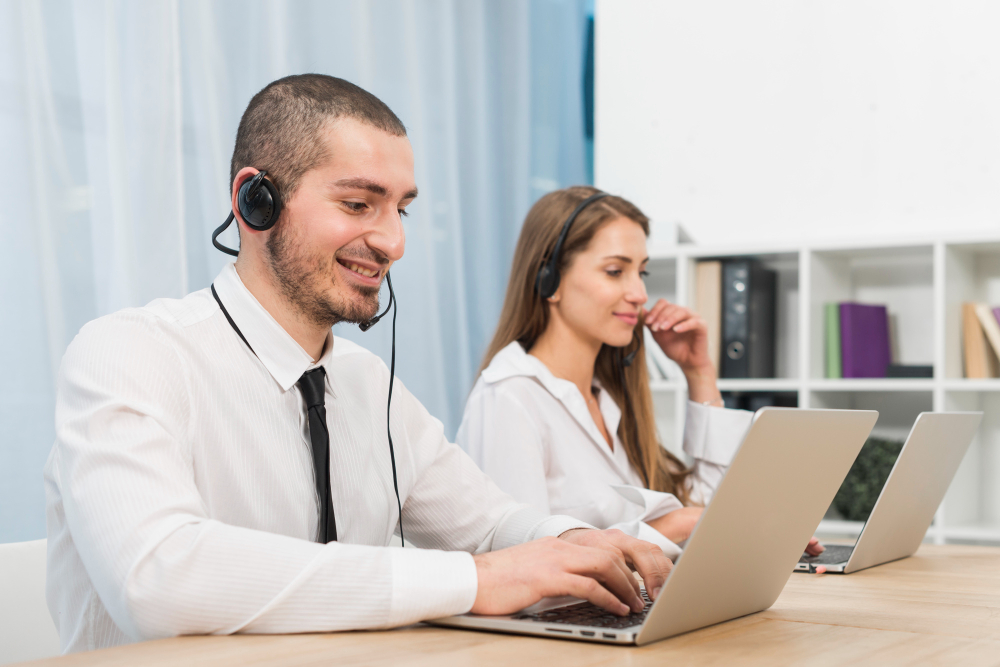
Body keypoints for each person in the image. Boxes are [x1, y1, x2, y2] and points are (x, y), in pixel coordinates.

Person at [43, 76, 673, 654]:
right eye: (358, 204)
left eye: (401, 208)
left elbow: (488, 524)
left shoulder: (368, 383)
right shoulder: (129, 355)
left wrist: (571, 543)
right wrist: (474, 580)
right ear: (254, 201)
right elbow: (160, 578)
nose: (393, 242)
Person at [457, 186, 825, 560]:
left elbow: (704, 512)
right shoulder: (509, 398)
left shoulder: (609, 398)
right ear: (549, 280)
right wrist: (670, 529)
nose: (639, 293)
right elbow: (520, 565)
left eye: (642, 272)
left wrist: (699, 373)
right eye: (615, 271)